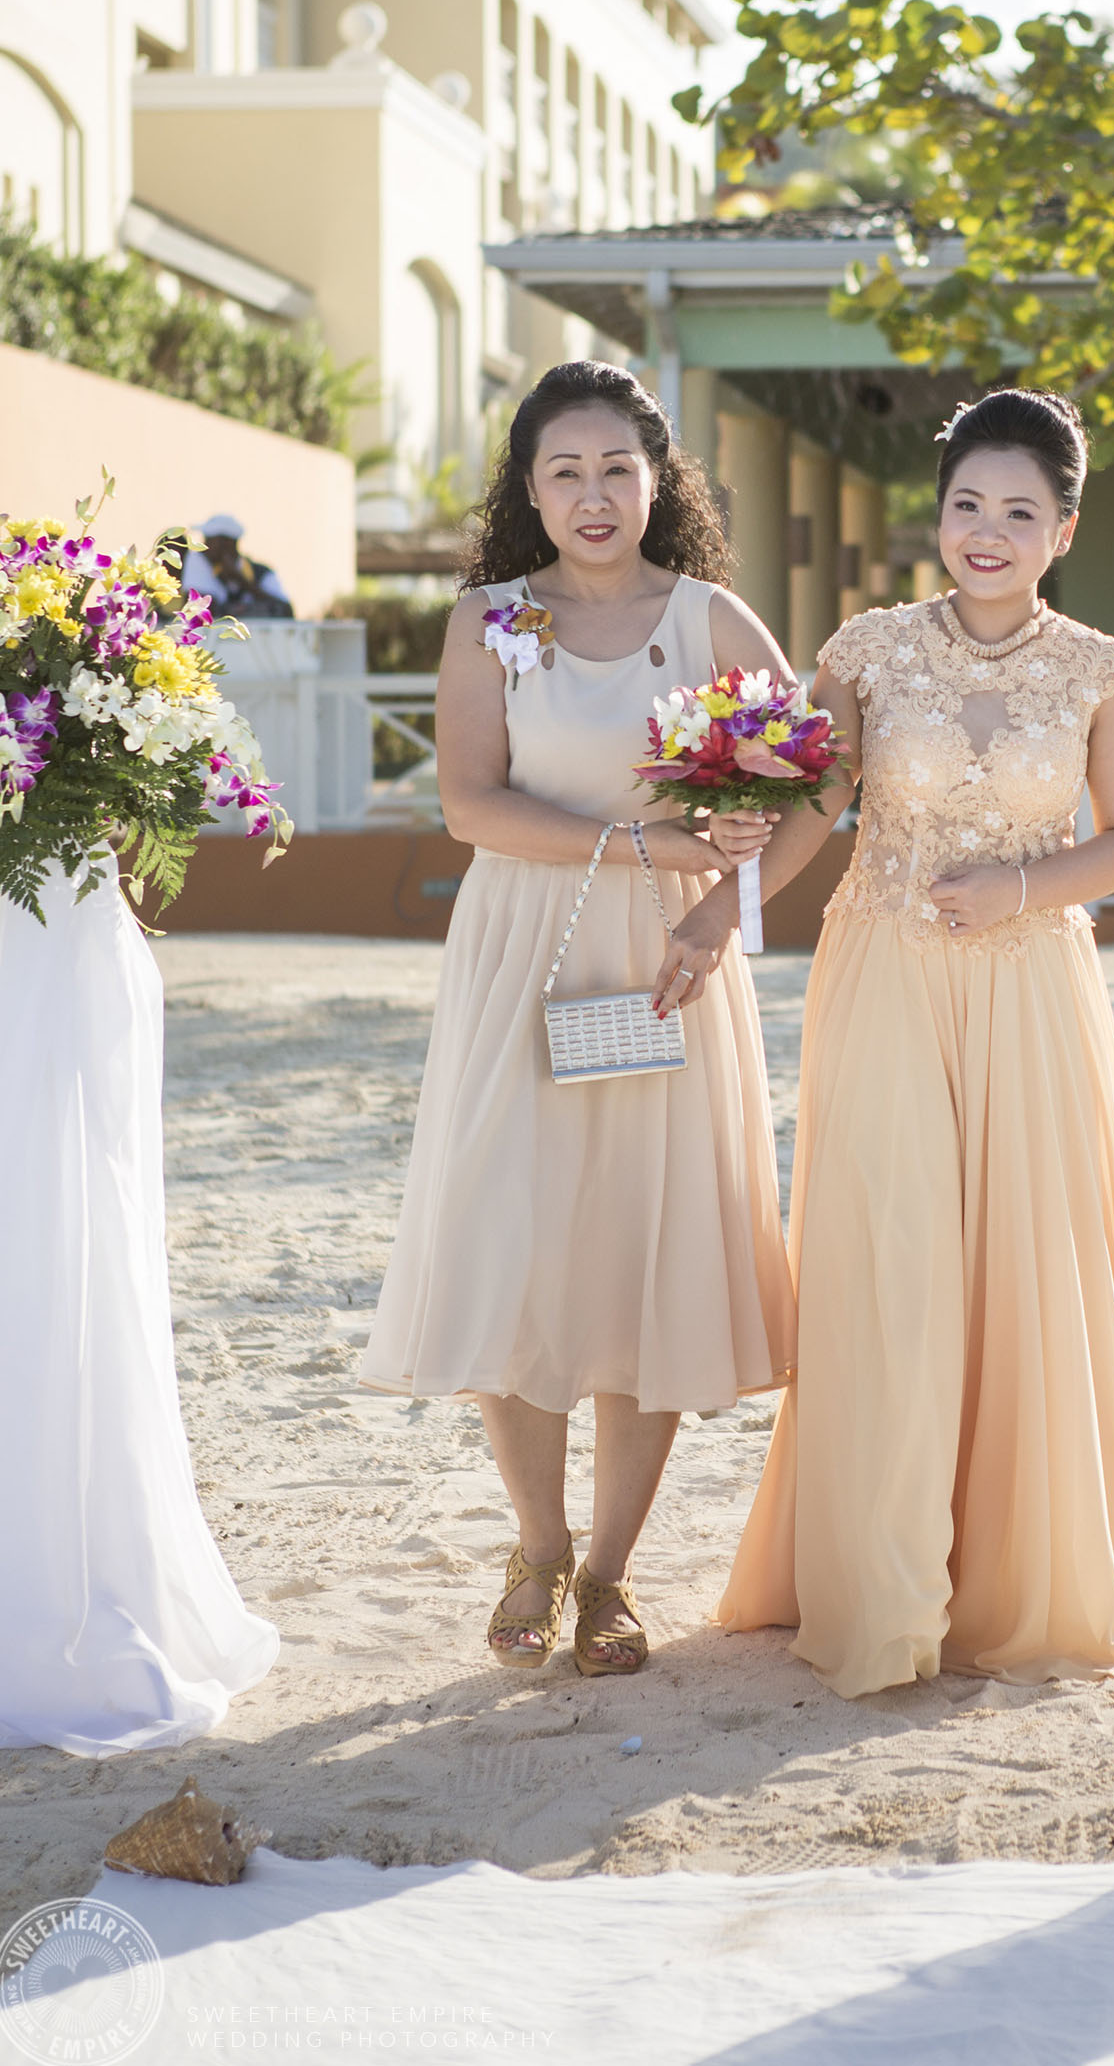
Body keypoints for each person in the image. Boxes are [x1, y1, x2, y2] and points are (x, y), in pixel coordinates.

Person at [701, 388, 1114, 1697]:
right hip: (884, 971)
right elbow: (814, 811)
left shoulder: (1104, 670)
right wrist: (722, 902)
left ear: (1062, 528)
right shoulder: (867, 653)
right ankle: (882, 1580)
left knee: (1025, 1258)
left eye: (1017, 512)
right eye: (965, 507)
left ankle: (1019, 1570)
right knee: (892, 1257)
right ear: (935, 517)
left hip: (1034, 990)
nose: (986, 533)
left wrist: (1021, 888)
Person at [359, 362, 792, 1677]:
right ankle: (536, 1545)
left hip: (665, 961)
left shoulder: (710, 619)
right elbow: (473, 805)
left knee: (641, 1247)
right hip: (522, 949)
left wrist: (727, 899)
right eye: (566, 472)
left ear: (659, 481)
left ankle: (609, 1575)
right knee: (513, 1233)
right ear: (529, 491)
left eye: (617, 469)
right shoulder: (497, 623)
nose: (594, 496)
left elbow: (816, 772)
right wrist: (642, 840)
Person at [181, 514, 294, 620]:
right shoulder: (199, 563)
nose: (204, 546)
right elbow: (201, 611)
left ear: (227, 544)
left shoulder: (260, 573)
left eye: (209, 541)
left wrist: (242, 581)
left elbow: (287, 611)